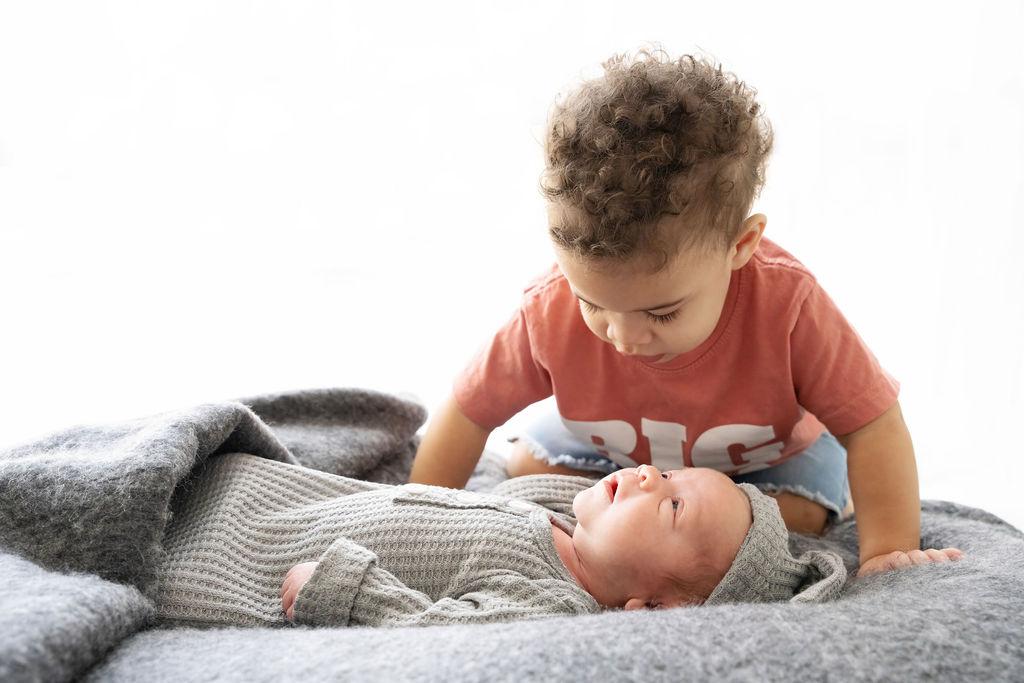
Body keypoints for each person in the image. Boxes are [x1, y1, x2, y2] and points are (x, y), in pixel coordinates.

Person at [407, 45, 961, 577]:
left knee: (798, 519)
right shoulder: (546, 307)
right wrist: (414, 514)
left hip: (768, 461)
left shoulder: (789, 305)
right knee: (524, 471)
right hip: (612, 451)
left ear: (740, 246)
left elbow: (873, 425)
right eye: (592, 303)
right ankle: (631, 515)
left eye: (662, 313)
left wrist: (889, 550)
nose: (623, 337)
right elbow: (469, 410)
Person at [277, 460, 856, 626]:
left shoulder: (553, 602)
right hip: (299, 496)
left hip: (263, 560)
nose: (649, 474)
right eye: (669, 473)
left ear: (660, 606)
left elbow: (435, 632)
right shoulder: (571, 517)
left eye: (673, 504)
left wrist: (347, 592)